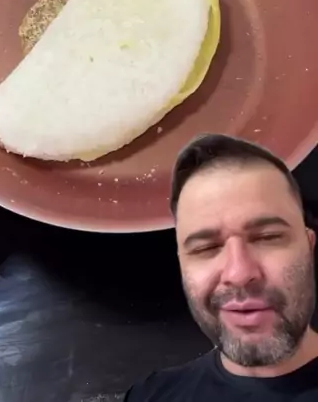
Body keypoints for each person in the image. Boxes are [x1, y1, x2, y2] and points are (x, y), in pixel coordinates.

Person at [125, 133, 318, 400]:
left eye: (267, 237)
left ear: (309, 246)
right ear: (182, 264)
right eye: (205, 248)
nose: (239, 273)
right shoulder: (151, 396)